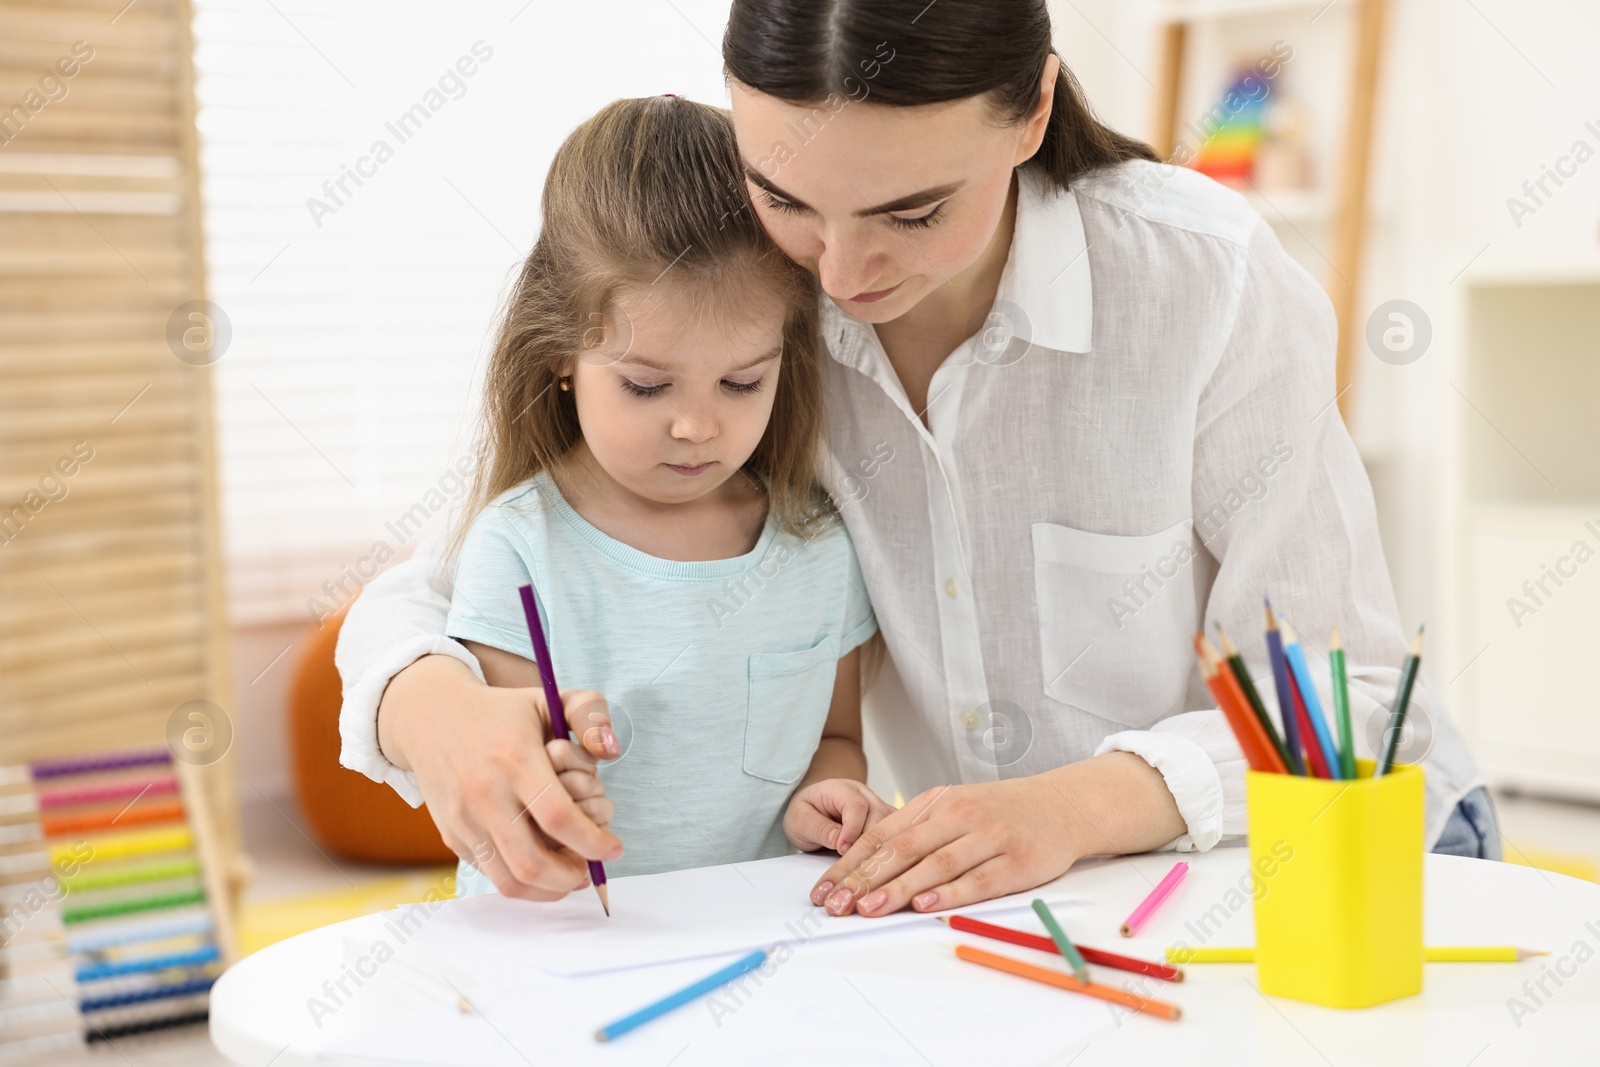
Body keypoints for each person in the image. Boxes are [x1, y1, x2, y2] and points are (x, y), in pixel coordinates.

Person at [338, 0, 1496, 914]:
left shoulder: (1203, 280)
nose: (838, 272)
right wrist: (435, 715)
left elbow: (1353, 707)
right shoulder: (743, 293)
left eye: (912, 211)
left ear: (1033, 107)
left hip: (1340, 867)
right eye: (785, 194)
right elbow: (434, 584)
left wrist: (1075, 805)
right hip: (997, 915)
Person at [363, 96, 888, 900]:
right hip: (561, 944)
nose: (696, 425)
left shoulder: (818, 544)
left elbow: (837, 736)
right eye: (646, 385)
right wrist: (550, 791)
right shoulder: (518, 544)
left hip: (748, 944)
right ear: (562, 356)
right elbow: (509, 771)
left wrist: (832, 797)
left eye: (743, 380)